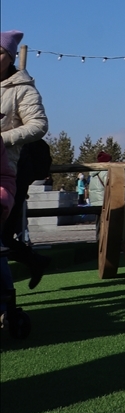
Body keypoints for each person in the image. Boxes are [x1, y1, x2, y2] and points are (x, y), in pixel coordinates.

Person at [0, 30, 51, 288]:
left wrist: (3, 139)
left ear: (9, 57)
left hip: (9, 171)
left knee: (1, 238)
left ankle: (6, 304)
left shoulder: (22, 89)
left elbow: (39, 125)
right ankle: (33, 261)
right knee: (3, 239)